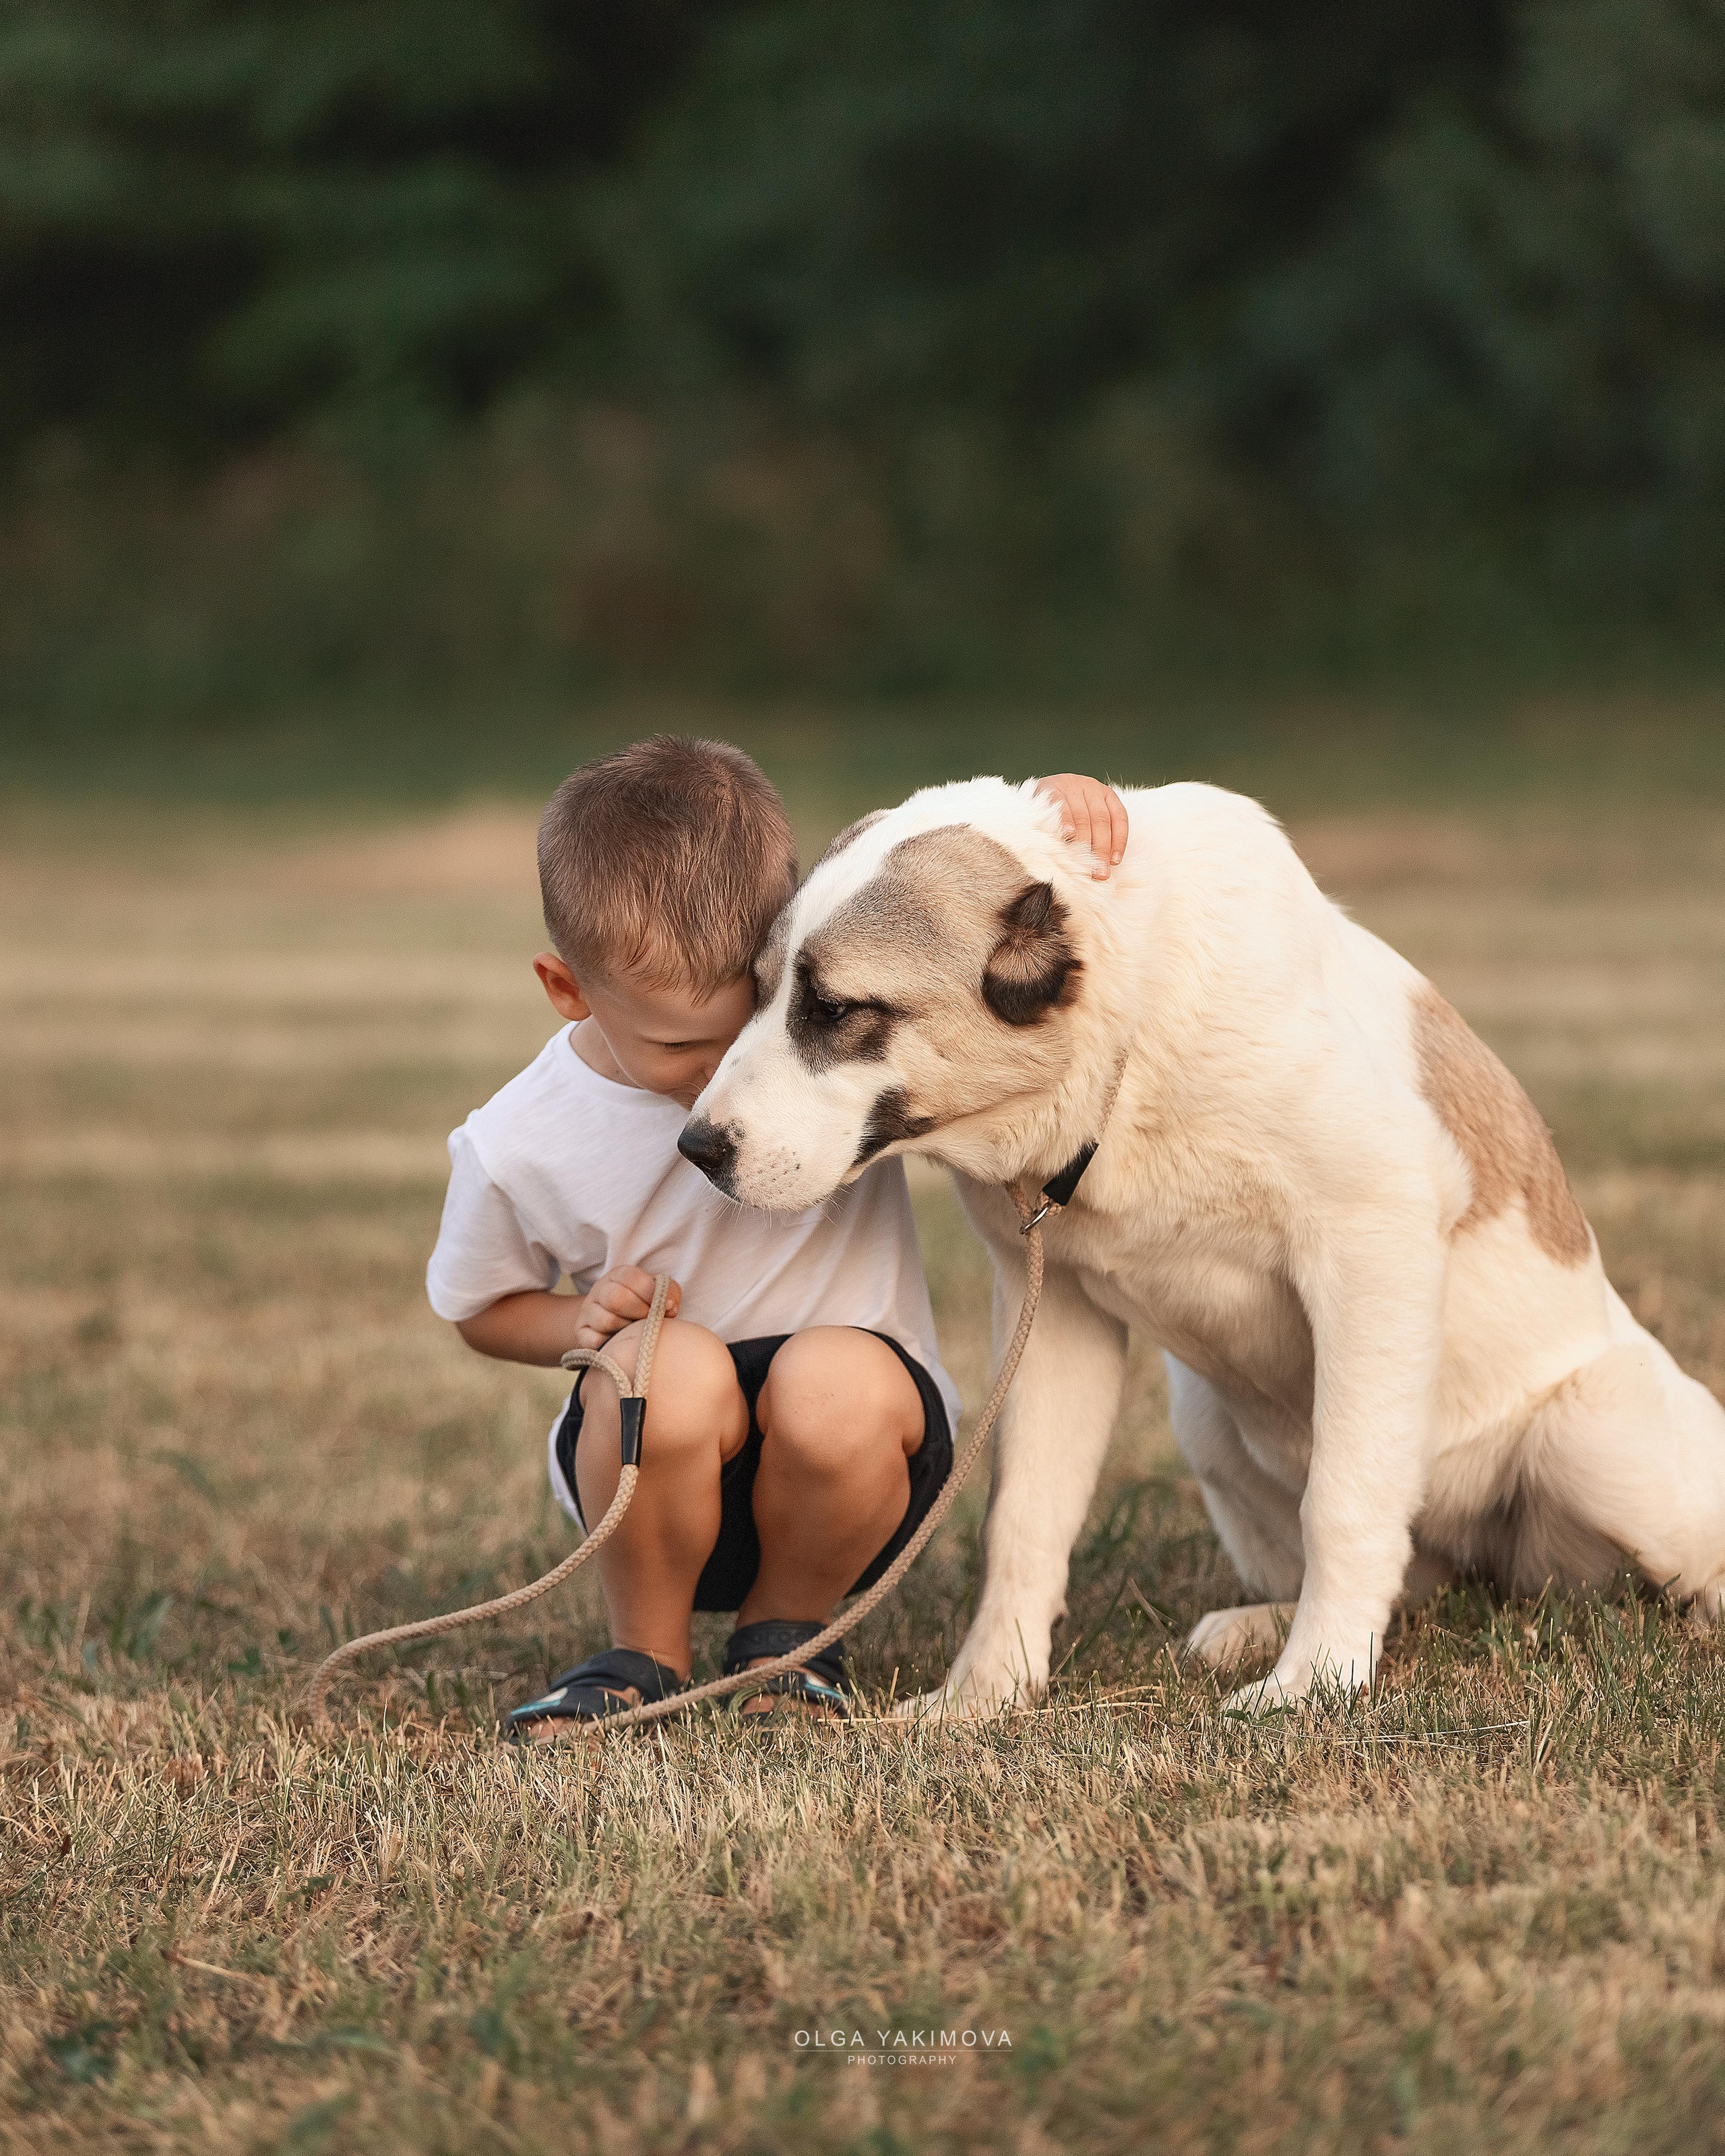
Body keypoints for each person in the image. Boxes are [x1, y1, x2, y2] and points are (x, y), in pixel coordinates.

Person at [426, 735, 1129, 1738]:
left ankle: (787, 1645)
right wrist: (580, 1323)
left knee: (833, 1381)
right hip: (647, 1478)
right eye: (681, 1044)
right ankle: (644, 1655)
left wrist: (1054, 815)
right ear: (567, 990)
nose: (735, 1075)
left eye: (757, 1016)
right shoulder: (516, 1139)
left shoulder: (834, 1080)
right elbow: (478, 1310)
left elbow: (944, 895)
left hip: (859, 1460)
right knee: (668, 1373)